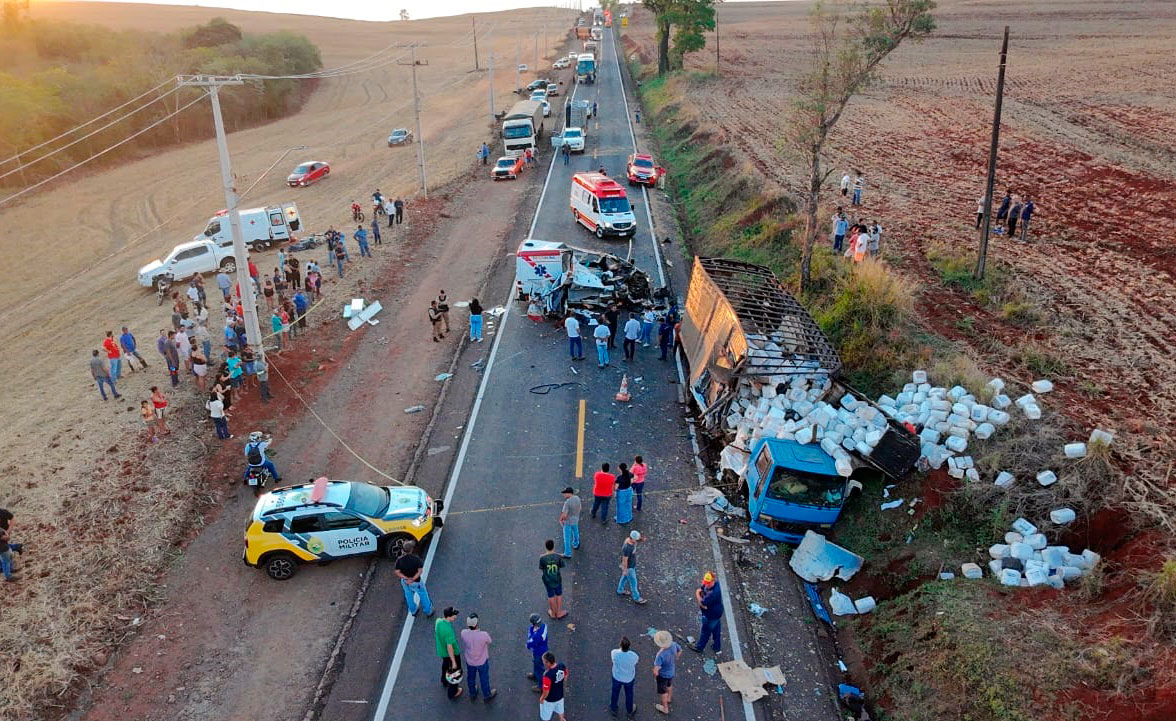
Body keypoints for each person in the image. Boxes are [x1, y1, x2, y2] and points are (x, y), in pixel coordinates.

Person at [460, 614, 497, 702]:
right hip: (482, 661)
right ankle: (487, 695)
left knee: (471, 677)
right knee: (484, 678)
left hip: (470, 661)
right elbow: (489, 641)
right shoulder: (483, 635)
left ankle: (472, 692)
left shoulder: (463, 633)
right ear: (476, 624)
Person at [393, 539, 433, 616]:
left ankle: (413, 610)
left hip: (405, 582)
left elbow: (397, 572)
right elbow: (420, 571)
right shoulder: (416, 559)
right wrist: (413, 579)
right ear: (411, 550)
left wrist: (406, 579)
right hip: (416, 581)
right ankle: (428, 611)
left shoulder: (399, 560)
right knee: (423, 594)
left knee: (408, 595)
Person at [435, 607, 464, 699]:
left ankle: (444, 680)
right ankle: (453, 692)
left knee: (445, 664)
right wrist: (454, 661)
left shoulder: (438, 621)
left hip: (442, 651)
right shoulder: (448, 630)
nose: (455, 616)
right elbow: (450, 646)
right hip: (452, 653)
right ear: (449, 617)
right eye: (454, 615)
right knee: (455, 672)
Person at [691, 572, 724, 654]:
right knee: (716, 629)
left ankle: (699, 647)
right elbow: (703, 587)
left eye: (708, 583)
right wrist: (702, 588)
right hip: (717, 613)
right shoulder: (716, 584)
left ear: (713, 581)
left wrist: (697, 593)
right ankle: (717, 647)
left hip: (710, 615)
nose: (706, 585)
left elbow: (702, 603)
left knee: (705, 632)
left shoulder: (712, 594)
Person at [653, 630, 682, 715]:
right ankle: (669, 698)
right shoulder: (673, 644)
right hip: (671, 672)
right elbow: (680, 650)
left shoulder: (660, 655)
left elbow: (656, 670)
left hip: (662, 675)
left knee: (663, 692)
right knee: (669, 685)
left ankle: (665, 708)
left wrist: (656, 675)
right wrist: (676, 657)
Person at [610, 636, 639, 718]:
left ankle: (613, 708)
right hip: (629, 678)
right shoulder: (633, 656)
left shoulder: (614, 653)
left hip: (617, 677)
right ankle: (629, 710)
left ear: (620, 645)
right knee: (629, 694)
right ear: (629, 646)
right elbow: (636, 661)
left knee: (615, 693)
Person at [539, 539, 567, 619]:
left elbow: (541, 568)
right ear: (553, 546)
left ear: (546, 547)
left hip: (547, 579)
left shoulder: (542, 558)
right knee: (559, 594)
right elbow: (561, 565)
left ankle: (552, 612)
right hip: (557, 579)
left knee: (550, 595)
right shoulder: (557, 557)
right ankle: (559, 612)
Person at [617, 530, 646, 604]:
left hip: (630, 565)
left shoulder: (629, 541)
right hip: (629, 567)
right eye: (636, 539)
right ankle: (636, 597)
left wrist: (642, 539)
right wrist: (625, 569)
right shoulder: (627, 548)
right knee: (633, 583)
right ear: (633, 539)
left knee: (624, 578)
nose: (637, 540)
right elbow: (625, 559)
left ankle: (620, 590)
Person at [538, 652, 568, 721]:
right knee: (560, 711)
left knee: (545, 716)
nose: (543, 663)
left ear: (548, 663)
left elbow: (546, 692)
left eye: (544, 661)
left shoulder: (547, 676)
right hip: (560, 696)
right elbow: (566, 675)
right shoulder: (562, 666)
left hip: (549, 700)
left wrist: (542, 698)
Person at [525, 613, 549, 690]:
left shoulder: (536, 635)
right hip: (543, 649)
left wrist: (532, 633)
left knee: (540, 668)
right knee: (536, 663)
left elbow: (530, 643)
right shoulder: (544, 626)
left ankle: (541, 686)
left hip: (538, 651)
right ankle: (535, 674)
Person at [559, 487, 580, 558]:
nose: (563, 494)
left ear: (569, 493)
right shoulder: (577, 498)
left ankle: (567, 553)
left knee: (567, 538)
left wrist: (561, 520)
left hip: (568, 521)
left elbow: (564, 514)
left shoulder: (567, 502)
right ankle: (576, 543)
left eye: (564, 493)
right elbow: (580, 508)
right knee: (575, 532)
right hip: (575, 519)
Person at [0, 508, 20, 582]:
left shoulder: (2, 512)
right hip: (2, 541)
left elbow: (12, 518)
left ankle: (10, 569)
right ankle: (8, 576)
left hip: (3, 540)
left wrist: (8, 531)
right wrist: (5, 536)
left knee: (9, 554)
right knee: (5, 558)